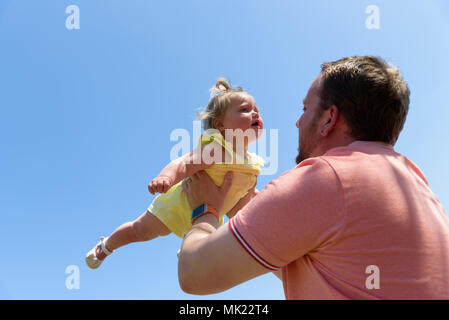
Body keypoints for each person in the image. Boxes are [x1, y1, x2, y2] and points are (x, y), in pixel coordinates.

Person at [177, 56, 449, 299]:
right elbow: (330, 270)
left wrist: (205, 209)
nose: (298, 121)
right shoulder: (416, 182)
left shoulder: (327, 177)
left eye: (305, 108)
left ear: (329, 119)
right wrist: (259, 221)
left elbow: (194, 274)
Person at [85, 78, 264, 269]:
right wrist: (166, 177)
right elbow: (184, 163)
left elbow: (239, 199)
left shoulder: (253, 165)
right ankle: (107, 245)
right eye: (245, 110)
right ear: (220, 125)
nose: (254, 113)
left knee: (218, 243)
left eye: (257, 110)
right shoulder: (217, 149)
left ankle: (191, 248)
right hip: (176, 207)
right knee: (140, 230)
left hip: (209, 217)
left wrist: (254, 195)